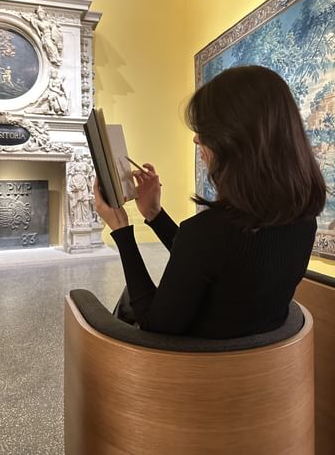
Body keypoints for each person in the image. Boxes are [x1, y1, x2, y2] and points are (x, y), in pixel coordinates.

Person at [94, 65, 326, 338]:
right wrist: (155, 215)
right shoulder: (303, 220)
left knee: (127, 301)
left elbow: (154, 328)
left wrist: (121, 231)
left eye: (205, 130)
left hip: (196, 361)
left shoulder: (208, 231)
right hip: (258, 357)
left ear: (234, 140)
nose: (196, 139)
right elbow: (209, 259)